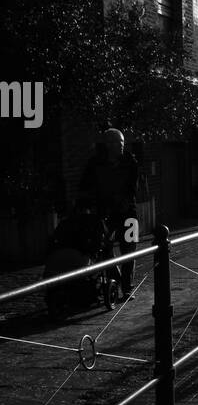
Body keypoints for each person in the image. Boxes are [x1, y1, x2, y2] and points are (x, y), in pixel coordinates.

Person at [78, 128, 140, 298]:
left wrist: (123, 202)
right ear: (107, 145)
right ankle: (116, 279)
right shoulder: (95, 164)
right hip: (104, 213)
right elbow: (85, 186)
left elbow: (133, 189)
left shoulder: (130, 162)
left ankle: (127, 287)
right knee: (103, 248)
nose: (120, 146)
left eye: (121, 142)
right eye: (115, 143)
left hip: (128, 213)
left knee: (130, 250)